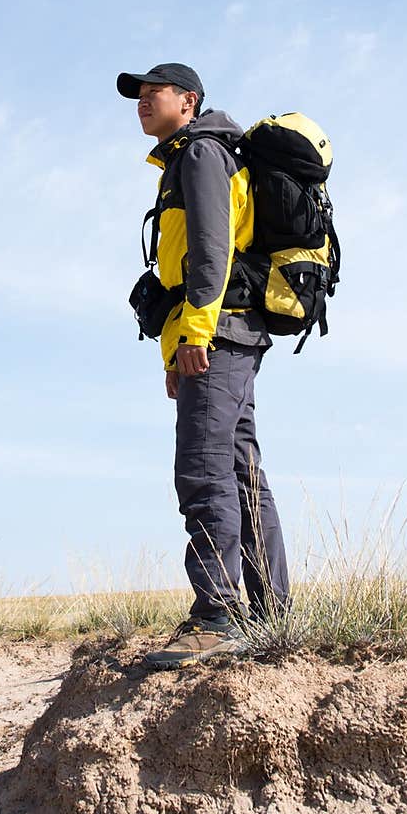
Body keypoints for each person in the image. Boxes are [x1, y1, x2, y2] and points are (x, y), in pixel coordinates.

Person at [117, 62, 291, 670]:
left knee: (203, 466)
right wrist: (177, 347)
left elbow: (211, 251)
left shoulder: (202, 154)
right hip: (225, 335)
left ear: (187, 100)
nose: (142, 101)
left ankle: (218, 616)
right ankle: (270, 616)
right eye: (137, 95)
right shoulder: (189, 157)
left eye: (152, 92)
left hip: (217, 334)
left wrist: (193, 333)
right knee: (240, 471)